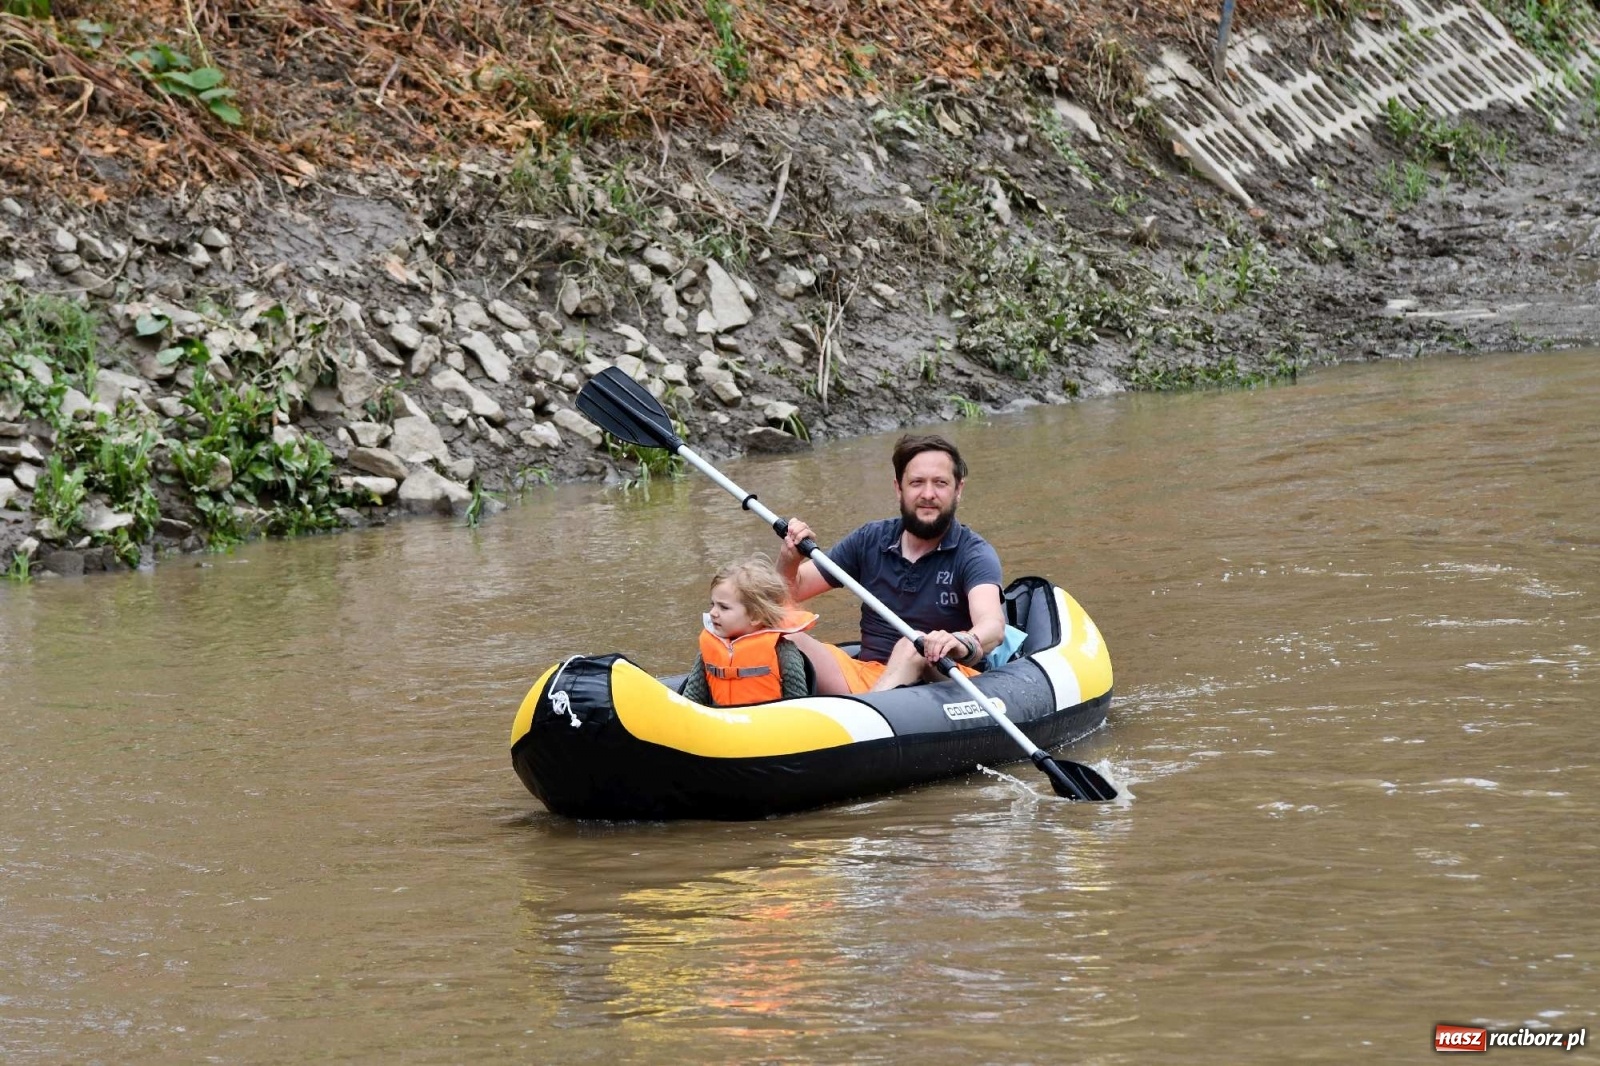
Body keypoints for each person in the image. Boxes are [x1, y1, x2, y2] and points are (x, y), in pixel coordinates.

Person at [778, 433, 1005, 694]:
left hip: (946, 680)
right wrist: (789, 560)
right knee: (783, 634)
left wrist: (961, 641)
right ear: (899, 488)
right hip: (869, 676)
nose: (928, 494)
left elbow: (992, 625)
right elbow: (787, 594)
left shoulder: (974, 554)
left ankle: (868, 711)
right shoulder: (870, 539)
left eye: (940, 483)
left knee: (914, 644)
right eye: (917, 483)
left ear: (958, 490)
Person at [680, 556, 817, 706]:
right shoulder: (708, 651)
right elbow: (692, 697)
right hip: (721, 718)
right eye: (713, 604)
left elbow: (798, 704)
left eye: (723, 607)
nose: (712, 613)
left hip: (768, 719)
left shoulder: (784, 653)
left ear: (755, 616)